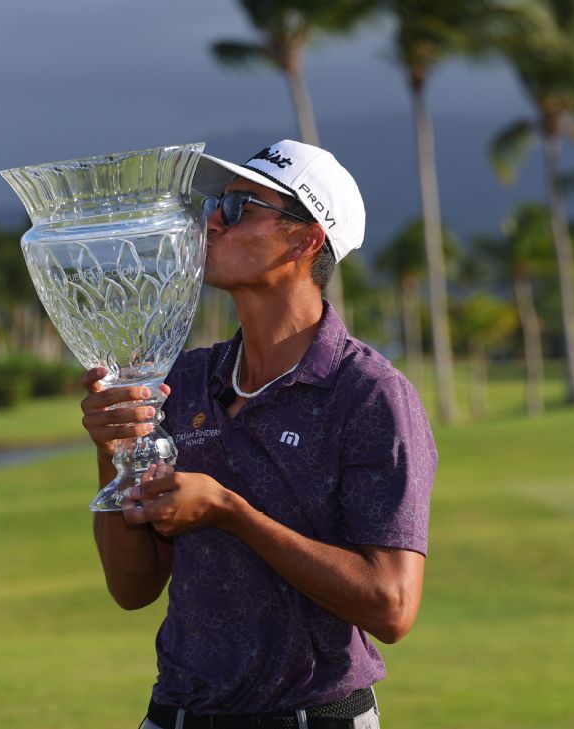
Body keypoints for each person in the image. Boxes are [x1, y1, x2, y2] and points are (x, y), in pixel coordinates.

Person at [77, 140, 437, 729]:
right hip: (177, 714)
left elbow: (391, 605)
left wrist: (231, 513)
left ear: (306, 240)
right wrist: (114, 454)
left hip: (314, 717)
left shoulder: (368, 394)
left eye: (239, 208)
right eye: (215, 205)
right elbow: (132, 587)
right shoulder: (184, 381)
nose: (213, 222)